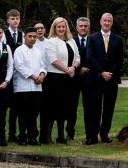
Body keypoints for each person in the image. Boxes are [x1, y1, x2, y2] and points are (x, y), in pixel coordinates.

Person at [86, 13, 123, 144]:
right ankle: (92, 136)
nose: (107, 23)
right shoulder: (92, 38)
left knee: (109, 108)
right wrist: (101, 72)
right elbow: (90, 57)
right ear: (100, 22)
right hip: (96, 79)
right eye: (105, 20)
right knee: (95, 108)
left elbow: (119, 60)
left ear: (112, 23)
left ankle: (105, 134)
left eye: (109, 21)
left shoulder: (118, 39)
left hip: (111, 80)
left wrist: (110, 73)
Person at [42, 17, 81, 144]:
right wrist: (67, 69)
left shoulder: (71, 41)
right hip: (54, 79)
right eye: (58, 27)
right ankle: (47, 136)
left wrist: (73, 67)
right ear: (54, 28)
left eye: (63, 26)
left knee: (64, 108)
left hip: (67, 79)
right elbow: (53, 60)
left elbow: (77, 57)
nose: (61, 29)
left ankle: (61, 136)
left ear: (66, 28)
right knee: (51, 108)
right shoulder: (50, 41)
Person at [12, 26, 47, 146]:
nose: (32, 39)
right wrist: (33, 77)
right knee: (22, 114)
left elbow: (43, 65)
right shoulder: (19, 50)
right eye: (30, 36)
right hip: (23, 87)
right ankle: (22, 136)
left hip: (37, 87)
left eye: (34, 36)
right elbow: (19, 67)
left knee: (34, 113)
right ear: (24, 37)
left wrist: (42, 75)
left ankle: (33, 137)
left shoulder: (38, 51)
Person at [3, 9, 24, 143]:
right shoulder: (3, 34)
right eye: (13, 18)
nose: (15, 21)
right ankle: (1, 132)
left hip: (20, 75)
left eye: (17, 18)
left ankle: (12, 133)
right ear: (8, 20)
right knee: (4, 106)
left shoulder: (22, 35)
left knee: (16, 108)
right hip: (6, 74)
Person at [70, 17, 92, 142]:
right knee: (72, 108)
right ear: (77, 27)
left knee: (89, 108)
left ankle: (89, 135)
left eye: (85, 26)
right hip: (74, 79)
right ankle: (70, 134)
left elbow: (95, 58)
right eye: (81, 26)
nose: (83, 28)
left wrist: (87, 69)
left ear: (88, 27)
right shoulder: (71, 40)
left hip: (89, 79)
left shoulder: (93, 40)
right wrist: (78, 70)